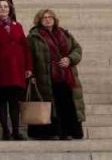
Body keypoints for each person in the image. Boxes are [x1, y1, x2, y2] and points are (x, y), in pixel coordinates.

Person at [28, 9, 85, 140]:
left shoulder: (64, 33)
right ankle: (52, 132)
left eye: (50, 17)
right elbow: (29, 56)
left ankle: (70, 131)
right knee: (53, 105)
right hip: (46, 78)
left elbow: (77, 49)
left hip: (66, 76)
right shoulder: (34, 36)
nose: (48, 19)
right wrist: (31, 74)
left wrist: (69, 59)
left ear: (54, 19)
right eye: (44, 18)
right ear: (39, 21)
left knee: (67, 104)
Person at [0, 0, 31, 140]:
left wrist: (28, 67)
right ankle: (5, 130)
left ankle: (16, 131)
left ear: (10, 9)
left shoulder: (17, 25)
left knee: (14, 102)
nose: (3, 9)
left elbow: (25, 47)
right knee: (1, 101)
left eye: (6, 6)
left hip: (16, 69)